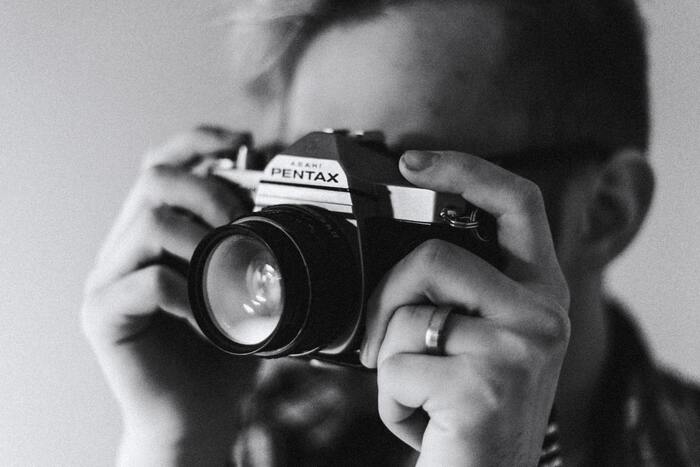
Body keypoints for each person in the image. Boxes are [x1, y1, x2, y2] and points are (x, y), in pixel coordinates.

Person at [81, 0, 700, 465]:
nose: (315, 244)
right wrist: (176, 438)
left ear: (607, 212)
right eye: (307, 181)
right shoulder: (278, 430)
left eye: (389, 178)